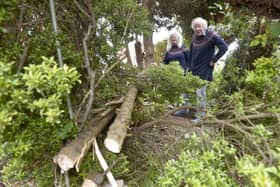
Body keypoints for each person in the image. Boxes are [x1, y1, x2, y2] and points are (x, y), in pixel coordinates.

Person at [188, 17, 228, 123]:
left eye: (199, 26)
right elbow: (191, 53)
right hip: (193, 68)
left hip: (204, 68)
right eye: (195, 27)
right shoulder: (194, 37)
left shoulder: (212, 35)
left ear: (204, 26)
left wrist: (214, 59)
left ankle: (201, 117)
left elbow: (224, 47)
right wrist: (188, 67)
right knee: (190, 91)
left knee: (200, 92)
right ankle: (192, 112)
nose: (197, 29)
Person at [163, 32, 189, 116]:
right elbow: (165, 63)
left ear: (178, 39)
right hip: (172, 75)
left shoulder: (184, 48)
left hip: (183, 74)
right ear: (170, 40)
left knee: (183, 92)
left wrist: (188, 71)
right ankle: (175, 109)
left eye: (175, 37)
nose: (174, 38)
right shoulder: (169, 51)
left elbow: (190, 59)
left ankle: (183, 111)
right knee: (175, 92)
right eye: (172, 37)